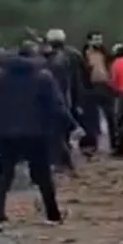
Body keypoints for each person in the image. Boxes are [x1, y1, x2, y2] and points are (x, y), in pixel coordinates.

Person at [0, 41, 70, 225]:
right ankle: (53, 214)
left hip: (5, 133)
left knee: (4, 176)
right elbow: (57, 106)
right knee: (43, 175)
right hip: (37, 133)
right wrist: (71, 125)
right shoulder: (44, 77)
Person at [41, 29, 84, 171]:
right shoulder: (73, 54)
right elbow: (78, 78)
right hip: (68, 95)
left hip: (54, 96)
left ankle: (60, 161)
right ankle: (64, 160)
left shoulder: (48, 58)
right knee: (62, 128)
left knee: (55, 131)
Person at [79, 31, 114, 157]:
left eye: (100, 39)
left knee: (111, 116)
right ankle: (92, 145)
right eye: (95, 39)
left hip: (105, 86)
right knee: (92, 118)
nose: (98, 41)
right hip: (90, 87)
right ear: (89, 41)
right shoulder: (83, 54)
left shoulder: (105, 52)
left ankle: (114, 144)